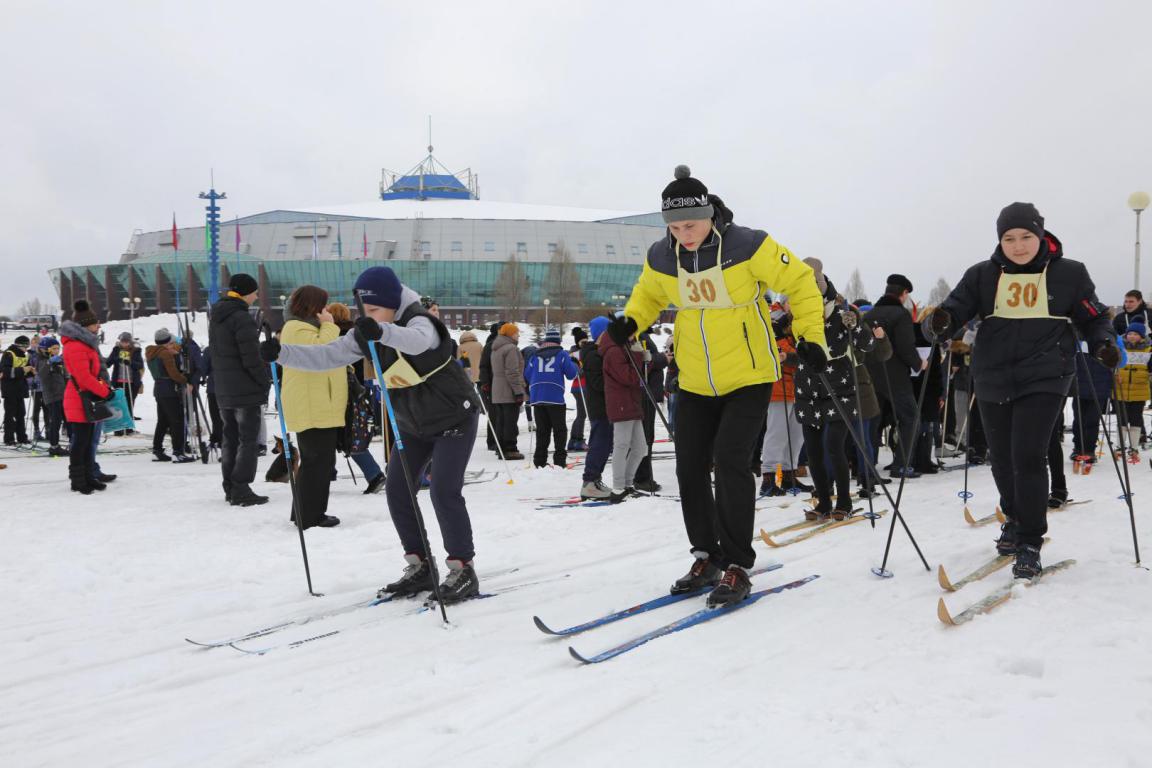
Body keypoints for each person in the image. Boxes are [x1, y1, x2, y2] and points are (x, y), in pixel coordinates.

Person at [611, 165, 826, 606]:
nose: (683, 234)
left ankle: (737, 563)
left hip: (749, 374)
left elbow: (801, 282)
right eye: (674, 226)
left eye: (690, 223)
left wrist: (811, 338)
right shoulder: (662, 256)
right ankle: (706, 554)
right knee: (689, 466)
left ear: (709, 213)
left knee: (730, 462)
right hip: (693, 378)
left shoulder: (750, 245)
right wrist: (633, 320)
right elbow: (649, 294)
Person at [263, 266, 484, 603]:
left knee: (443, 491)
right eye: (364, 311)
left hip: (454, 415)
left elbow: (419, 341)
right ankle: (420, 564)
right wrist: (282, 354)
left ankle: (462, 568)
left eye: (376, 310)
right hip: (413, 424)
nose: (368, 316)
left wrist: (381, 330)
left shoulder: (419, 319)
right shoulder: (368, 329)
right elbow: (328, 355)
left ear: (393, 303)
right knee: (397, 489)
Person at [929, 202, 1117, 579]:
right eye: (1009, 238)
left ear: (1041, 235)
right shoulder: (982, 274)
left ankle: (1031, 540)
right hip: (993, 375)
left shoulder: (1069, 273)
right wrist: (940, 323)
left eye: (1026, 237)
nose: (1018, 245)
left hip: (1047, 375)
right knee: (1001, 458)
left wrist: (1103, 344)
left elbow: (1093, 317)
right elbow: (953, 311)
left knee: (1028, 455)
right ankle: (1014, 519)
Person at [792, 260, 876, 520]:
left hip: (839, 388)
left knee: (833, 446)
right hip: (808, 389)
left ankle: (844, 501)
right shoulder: (798, 314)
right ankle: (823, 501)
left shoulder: (841, 313)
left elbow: (869, 343)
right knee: (813, 451)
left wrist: (857, 324)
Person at [277, 287, 344, 528]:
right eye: (323, 306)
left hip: (318, 404)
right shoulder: (296, 328)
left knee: (318, 462)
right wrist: (329, 324)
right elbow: (322, 352)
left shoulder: (305, 327)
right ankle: (310, 516)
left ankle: (307, 513)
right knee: (317, 462)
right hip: (311, 406)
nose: (326, 311)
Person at [208, 273, 270, 506]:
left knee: (230, 438)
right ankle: (241, 487)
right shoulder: (241, 317)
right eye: (255, 292)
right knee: (248, 440)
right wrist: (263, 382)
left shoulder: (218, 316)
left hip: (224, 388)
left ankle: (230, 486)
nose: (256, 296)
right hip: (245, 389)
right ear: (246, 292)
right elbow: (251, 358)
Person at [865, 274, 925, 478]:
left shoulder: (869, 314)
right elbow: (905, 346)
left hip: (870, 374)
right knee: (910, 418)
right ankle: (901, 464)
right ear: (904, 293)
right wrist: (919, 363)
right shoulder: (901, 315)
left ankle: (867, 466)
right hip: (895, 374)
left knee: (873, 421)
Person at [60, 301, 113, 494]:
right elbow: (83, 377)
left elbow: (95, 374)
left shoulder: (85, 345)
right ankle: (78, 480)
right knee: (80, 442)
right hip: (79, 399)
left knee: (88, 440)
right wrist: (105, 391)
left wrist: (104, 387)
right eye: (95, 323)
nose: (98, 325)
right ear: (85, 325)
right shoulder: (75, 346)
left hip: (87, 399)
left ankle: (89, 476)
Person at [759, 303, 805, 497]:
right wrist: (796, 355)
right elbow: (780, 352)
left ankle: (789, 474)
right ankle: (768, 476)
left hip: (799, 387)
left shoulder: (800, 321)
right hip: (780, 386)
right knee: (777, 432)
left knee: (797, 434)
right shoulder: (775, 320)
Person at [525, 327, 579, 468]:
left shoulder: (535, 355)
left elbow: (527, 374)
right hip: (555, 396)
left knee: (542, 431)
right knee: (559, 430)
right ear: (557, 341)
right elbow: (571, 374)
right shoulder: (561, 354)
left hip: (537, 396)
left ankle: (539, 461)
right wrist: (575, 364)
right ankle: (559, 460)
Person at [145, 329, 196, 463]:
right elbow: (173, 374)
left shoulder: (152, 352)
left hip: (159, 389)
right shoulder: (165, 354)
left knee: (163, 421)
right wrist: (185, 378)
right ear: (167, 341)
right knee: (177, 420)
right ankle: (178, 452)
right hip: (169, 389)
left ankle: (157, 450)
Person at [578, 317, 613, 500]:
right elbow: (598, 383)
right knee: (600, 444)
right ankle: (589, 481)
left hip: (605, 406)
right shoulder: (593, 355)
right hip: (600, 408)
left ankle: (595, 479)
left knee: (605, 444)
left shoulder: (598, 352)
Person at [630, 329, 667, 493]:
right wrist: (664, 358)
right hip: (644, 393)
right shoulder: (638, 336)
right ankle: (642, 477)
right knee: (644, 437)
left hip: (647, 393)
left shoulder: (643, 335)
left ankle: (642, 476)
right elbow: (646, 360)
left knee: (645, 437)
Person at [1114, 322, 1151, 460]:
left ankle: (1134, 447)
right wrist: (1114, 374)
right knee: (1122, 419)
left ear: (1142, 336)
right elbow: (1113, 364)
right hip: (1120, 389)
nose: (1132, 336)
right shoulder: (1120, 348)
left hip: (1139, 389)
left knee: (1136, 419)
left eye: (1135, 334)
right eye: (1130, 333)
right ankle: (1120, 446)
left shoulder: (1148, 349)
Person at [490, 322, 525, 460]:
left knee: (501, 421)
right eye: (516, 333)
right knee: (510, 421)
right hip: (508, 388)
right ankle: (510, 449)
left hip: (497, 388)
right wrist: (518, 391)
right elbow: (512, 372)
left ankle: (500, 448)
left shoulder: (496, 348)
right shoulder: (511, 348)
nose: (518, 335)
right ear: (510, 334)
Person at [36, 336, 69, 457]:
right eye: (54, 348)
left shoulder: (58, 360)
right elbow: (42, 375)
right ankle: (54, 446)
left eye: (58, 348)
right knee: (56, 421)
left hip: (63, 394)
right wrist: (50, 363)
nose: (57, 351)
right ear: (47, 349)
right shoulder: (42, 360)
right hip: (52, 396)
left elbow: (65, 375)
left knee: (68, 420)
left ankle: (73, 442)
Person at [106, 332, 144, 431]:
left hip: (132, 382)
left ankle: (128, 427)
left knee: (130, 404)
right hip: (119, 381)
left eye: (127, 342)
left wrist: (130, 362)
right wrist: (117, 359)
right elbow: (108, 363)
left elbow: (140, 365)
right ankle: (119, 428)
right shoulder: (116, 350)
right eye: (123, 342)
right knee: (120, 405)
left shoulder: (136, 351)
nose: (125, 344)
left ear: (130, 342)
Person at [1, 334, 33, 445]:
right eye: (25, 346)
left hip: (20, 389)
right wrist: (23, 369)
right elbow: (6, 372)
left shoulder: (25, 355)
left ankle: (21, 437)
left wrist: (30, 372)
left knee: (21, 414)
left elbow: (25, 372)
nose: (26, 349)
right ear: (19, 345)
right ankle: (9, 438)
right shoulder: (9, 354)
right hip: (10, 389)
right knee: (10, 415)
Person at [567, 326, 589, 452]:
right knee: (582, 414)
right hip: (580, 386)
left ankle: (573, 441)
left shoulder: (584, 351)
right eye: (582, 342)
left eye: (586, 340)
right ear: (577, 342)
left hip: (582, 387)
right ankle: (578, 440)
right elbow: (577, 371)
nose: (585, 343)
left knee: (581, 414)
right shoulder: (575, 353)